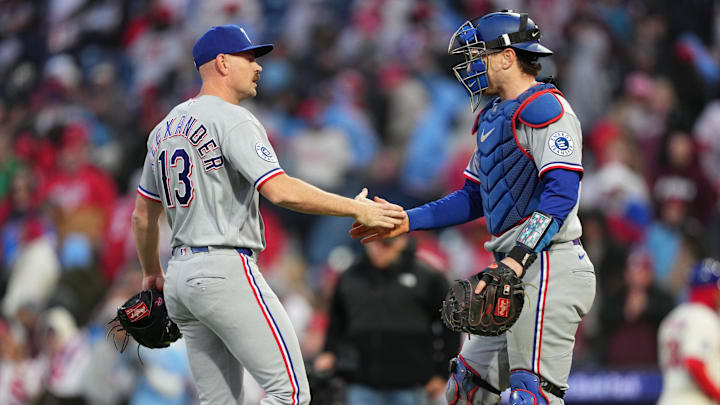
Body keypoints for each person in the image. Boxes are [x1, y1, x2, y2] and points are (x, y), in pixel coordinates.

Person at [131, 24, 404, 405]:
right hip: (224, 267)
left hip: (179, 277)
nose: (257, 67)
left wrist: (151, 272)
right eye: (248, 58)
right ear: (222, 63)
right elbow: (279, 189)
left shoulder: (163, 130)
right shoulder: (234, 119)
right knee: (289, 393)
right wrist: (357, 208)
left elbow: (143, 216)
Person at [351, 10, 595, 405]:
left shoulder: (546, 109)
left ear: (507, 56)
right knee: (465, 390)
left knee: (529, 398)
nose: (470, 64)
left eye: (479, 54)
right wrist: (407, 220)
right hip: (513, 269)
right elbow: (472, 196)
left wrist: (516, 260)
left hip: (549, 264)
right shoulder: (491, 116)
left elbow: (560, 195)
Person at [312, 235, 460, 405]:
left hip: (410, 384)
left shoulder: (427, 277)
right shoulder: (350, 276)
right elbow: (337, 322)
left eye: (386, 244)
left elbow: (450, 324)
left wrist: (442, 373)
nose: (378, 249)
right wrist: (329, 352)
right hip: (360, 382)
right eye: (374, 243)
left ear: (402, 241)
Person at [657, 258, 720, 405]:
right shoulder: (704, 317)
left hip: (667, 398)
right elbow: (694, 363)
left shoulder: (671, 318)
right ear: (713, 291)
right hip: (694, 399)